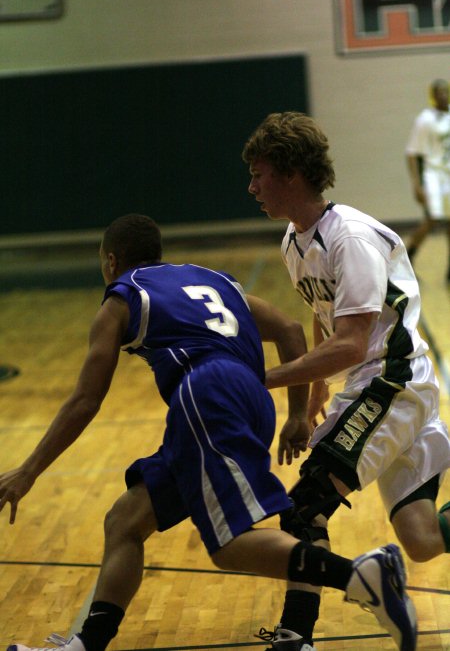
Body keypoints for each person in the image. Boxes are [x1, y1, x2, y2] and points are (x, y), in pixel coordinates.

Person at [0, 214, 417, 651]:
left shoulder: (121, 299)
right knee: (125, 520)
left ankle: (359, 576)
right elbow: (291, 331)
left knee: (229, 545)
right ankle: (86, 644)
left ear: (110, 261)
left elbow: (86, 400)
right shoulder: (214, 280)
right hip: (250, 398)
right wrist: (295, 415)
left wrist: (28, 471)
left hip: (206, 394)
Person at [242, 112, 450, 651]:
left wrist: (260, 379)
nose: (252, 187)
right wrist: (309, 401)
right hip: (388, 383)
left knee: (305, 505)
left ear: (290, 173)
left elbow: (352, 343)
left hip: (392, 382)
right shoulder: (295, 240)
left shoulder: (350, 237)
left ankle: (295, 636)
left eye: (259, 174)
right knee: (422, 539)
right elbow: (324, 313)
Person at [405, 78, 450, 281]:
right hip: (432, 175)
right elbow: (412, 153)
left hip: (448, 175)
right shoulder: (425, 119)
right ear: (433, 95)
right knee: (432, 219)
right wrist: (417, 184)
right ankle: (408, 256)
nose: (443, 95)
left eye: (446, 91)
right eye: (439, 92)